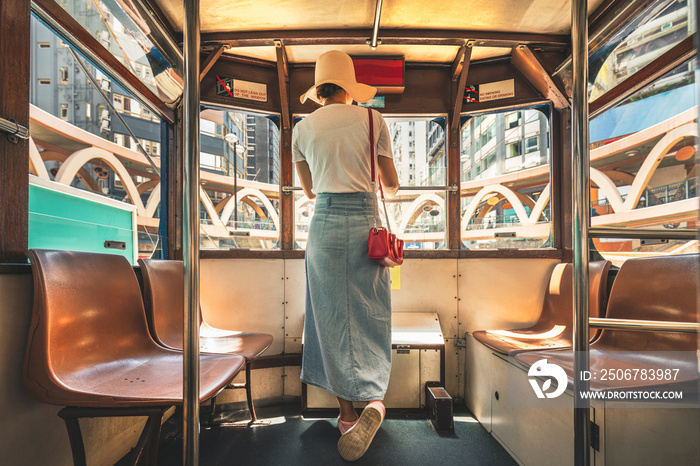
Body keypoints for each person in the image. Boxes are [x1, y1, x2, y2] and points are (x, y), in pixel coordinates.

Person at [292, 50, 399, 462]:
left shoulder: (302, 129)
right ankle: (373, 397)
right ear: (350, 88)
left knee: (329, 315)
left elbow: (309, 191)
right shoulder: (373, 119)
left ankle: (348, 416)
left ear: (319, 91)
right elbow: (389, 184)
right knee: (371, 310)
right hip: (364, 224)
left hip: (323, 225)